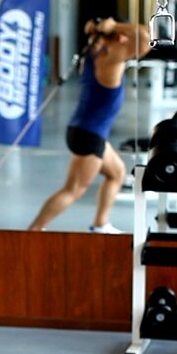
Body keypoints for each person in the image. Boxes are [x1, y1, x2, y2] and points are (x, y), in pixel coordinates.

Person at [28, 17, 151, 233]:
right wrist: (115, 26)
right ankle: (34, 231)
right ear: (121, 37)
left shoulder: (95, 53)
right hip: (89, 135)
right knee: (73, 190)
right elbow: (147, 39)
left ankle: (101, 224)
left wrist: (108, 29)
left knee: (117, 173)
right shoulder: (111, 59)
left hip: (87, 130)